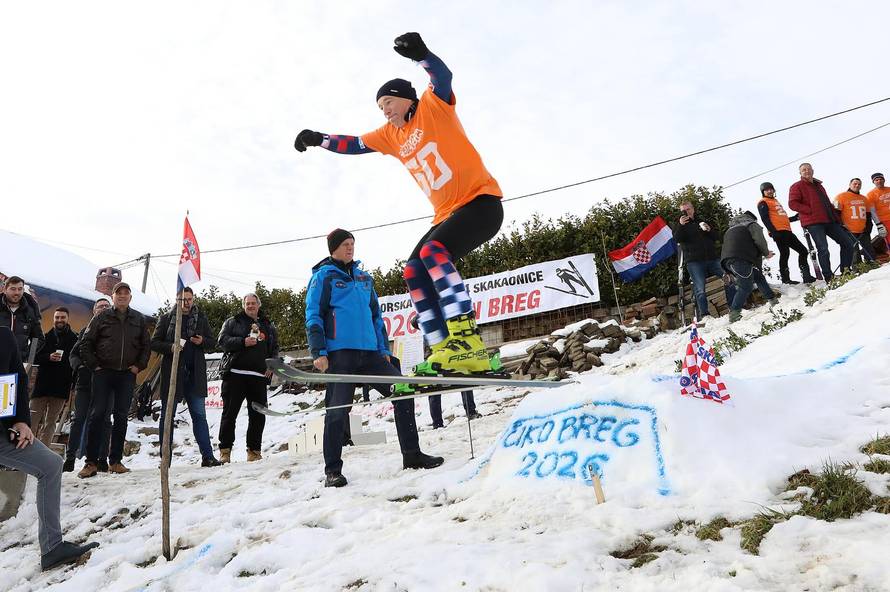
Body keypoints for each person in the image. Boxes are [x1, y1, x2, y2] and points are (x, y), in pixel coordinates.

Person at [295, 32, 503, 376]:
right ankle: (442, 348)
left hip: (481, 202)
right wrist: (320, 140)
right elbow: (356, 143)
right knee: (413, 269)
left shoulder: (434, 107)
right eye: (380, 108)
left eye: (388, 103)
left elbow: (442, 78)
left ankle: (466, 339)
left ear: (405, 99)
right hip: (446, 213)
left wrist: (422, 55)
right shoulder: (391, 136)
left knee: (434, 251)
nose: (385, 111)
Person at [306, 229, 443, 488]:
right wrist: (319, 352)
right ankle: (332, 471)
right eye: (345, 244)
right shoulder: (322, 277)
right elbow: (314, 314)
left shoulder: (364, 278)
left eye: (352, 244)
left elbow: (376, 318)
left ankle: (412, 455)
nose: (350, 248)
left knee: (403, 391)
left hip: (370, 354)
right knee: (337, 411)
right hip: (340, 354)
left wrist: (383, 350)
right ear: (333, 248)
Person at [0, 326, 99, 571]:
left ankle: (52, 548)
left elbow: (15, 380)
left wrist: (20, 420)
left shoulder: (4, 336)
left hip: (2, 433)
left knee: (51, 465)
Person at [77, 282, 150, 478]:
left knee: (120, 417)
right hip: (103, 373)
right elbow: (86, 343)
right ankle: (90, 462)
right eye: (119, 294)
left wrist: (138, 367)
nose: (122, 297)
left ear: (130, 298)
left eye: (126, 294)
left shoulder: (139, 319)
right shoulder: (102, 316)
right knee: (97, 415)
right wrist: (95, 366)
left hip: (127, 374)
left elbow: (146, 346)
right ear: (113, 296)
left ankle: (115, 461)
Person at [151, 287, 221, 467]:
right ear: (176, 300)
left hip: (195, 376)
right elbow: (154, 342)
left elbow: (213, 342)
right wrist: (171, 347)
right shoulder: (166, 319)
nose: (186, 302)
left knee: (199, 416)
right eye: (183, 299)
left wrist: (202, 341)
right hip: (173, 376)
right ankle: (165, 459)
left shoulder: (201, 318)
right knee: (167, 417)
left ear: (193, 299)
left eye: (189, 299)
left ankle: (208, 457)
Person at [217, 292, 278, 463]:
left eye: (253, 303)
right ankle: (225, 451)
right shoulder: (233, 321)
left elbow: (274, 347)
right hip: (235, 375)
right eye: (247, 303)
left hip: (258, 377)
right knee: (230, 414)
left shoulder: (267, 325)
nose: (250, 306)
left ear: (259, 305)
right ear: (243, 305)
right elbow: (222, 341)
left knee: (258, 415)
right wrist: (242, 342)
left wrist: (272, 365)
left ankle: (254, 452)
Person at [64, 298, 112, 473]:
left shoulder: (116, 332)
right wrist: (81, 367)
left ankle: (102, 459)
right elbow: (73, 355)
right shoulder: (86, 330)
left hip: (107, 384)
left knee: (105, 422)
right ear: (94, 311)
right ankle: (69, 458)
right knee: (78, 420)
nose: (103, 309)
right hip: (85, 383)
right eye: (100, 306)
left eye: (107, 306)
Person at [788, 163, 858, 281]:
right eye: (803, 170)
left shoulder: (819, 186)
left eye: (809, 169)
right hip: (814, 222)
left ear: (813, 171)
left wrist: (838, 220)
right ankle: (829, 277)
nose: (807, 171)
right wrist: (810, 210)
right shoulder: (797, 186)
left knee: (848, 243)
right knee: (823, 248)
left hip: (829, 220)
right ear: (800, 173)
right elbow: (792, 204)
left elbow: (828, 204)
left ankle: (846, 271)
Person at [673, 201, 736, 320]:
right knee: (700, 288)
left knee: (728, 278)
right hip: (694, 262)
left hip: (712, 258)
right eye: (684, 210)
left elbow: (716, 237)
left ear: (693, 209)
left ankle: (734, 308)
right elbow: (677, 239)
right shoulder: (678, 225)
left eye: (689, 209)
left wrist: (709, 230)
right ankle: (705, 315)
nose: (687, 211)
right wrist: (681, 225)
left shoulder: (701, 221)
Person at [30, 307, 78, 446]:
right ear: (54, 319)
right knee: (32, 419)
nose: (59, 320)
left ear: (67, 318)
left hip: (61, 387)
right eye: (57, 317)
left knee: (50, 423)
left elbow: (76, 364)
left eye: (62, 317)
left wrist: (72, 386)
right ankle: (27, 450)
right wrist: (48, 357)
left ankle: (43, 452)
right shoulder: (45, 337)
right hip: (42, 386)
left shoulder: (74, 339)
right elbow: (35, 358)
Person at [721, 211, 778, 323]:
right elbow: (759, 241)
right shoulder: (751, 224)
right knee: (745, 286)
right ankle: (734, 314)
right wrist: (766, 253)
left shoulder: (730, 229)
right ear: (752, 218)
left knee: (758, 277)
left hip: (728, 260)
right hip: (740, 259)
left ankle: (773, 300)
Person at [756, 182, 816, 284]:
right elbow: (765, 219)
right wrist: (774, 232)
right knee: (785, 253)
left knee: (803, 251)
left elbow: (781, 218)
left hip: (786, 230)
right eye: (767, 190)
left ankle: (806, 276)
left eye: (771, 189)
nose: (770, 191)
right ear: (763, 192)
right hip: (778, 232)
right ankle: (786, 279)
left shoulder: (775, 201)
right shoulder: (763, 202)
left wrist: (794, 218)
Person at [0, 275, 45, 362]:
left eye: (20, 289)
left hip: (17, 363)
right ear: (5, 290)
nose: (17, 292)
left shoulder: (30, 313)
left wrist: (28, 359)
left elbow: (38, 339)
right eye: (13, 289)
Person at [833, 178, 876, 264]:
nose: (857, 185)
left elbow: (868, 215)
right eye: (855, 183)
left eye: (859, 184)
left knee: (869, 250)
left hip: (863, 231)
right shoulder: (840, 196)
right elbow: (835, 213)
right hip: (849, 231)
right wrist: (841, 226)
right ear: (850, 185)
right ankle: (857, 271)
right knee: (854, 253)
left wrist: (869, 226)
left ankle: (871, 266)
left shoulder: (864, 199)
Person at [867, 172, 890, 249]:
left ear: (884, 180)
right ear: (873, 182)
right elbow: (872, 211)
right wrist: (879, 225)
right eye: (876, 180)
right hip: (884, 220)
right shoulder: (871, 194)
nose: (879, 181)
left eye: (881, 179)